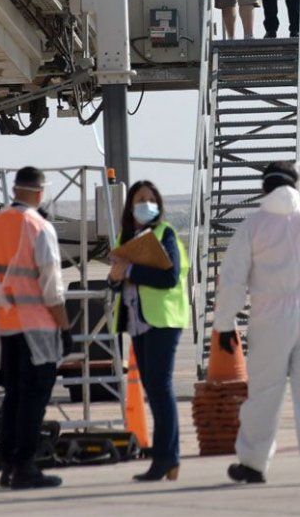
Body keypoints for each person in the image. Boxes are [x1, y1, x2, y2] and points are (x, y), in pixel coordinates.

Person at [215, 160, 300, 485]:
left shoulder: (253, 225)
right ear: (293, 185)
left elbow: (231, 280)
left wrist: (224, 324)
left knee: (264, 393)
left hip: (271, 319)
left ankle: (254, 464)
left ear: (264, 188)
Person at [0, 166, 72, 490]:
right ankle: (25, 466)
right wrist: (65, 326)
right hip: (37, 328)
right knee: (33, 400)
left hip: (5, 327)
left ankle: (8, 464)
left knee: (14, 398)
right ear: (39, 191)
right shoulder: (39, 226)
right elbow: (51, 286)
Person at [107, 180, 189, 482]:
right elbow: (116, 281)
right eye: (139, 199)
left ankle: (165, 457)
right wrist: (116, 277)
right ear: (130, 206)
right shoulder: (126, 238)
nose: (145, 204)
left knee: (160, 389)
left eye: (150, 199)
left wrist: (128, 271)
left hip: (162, 321)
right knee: (154, 390)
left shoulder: (164, 235)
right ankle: (170, 457)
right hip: (137, 322)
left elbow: (168, 278)